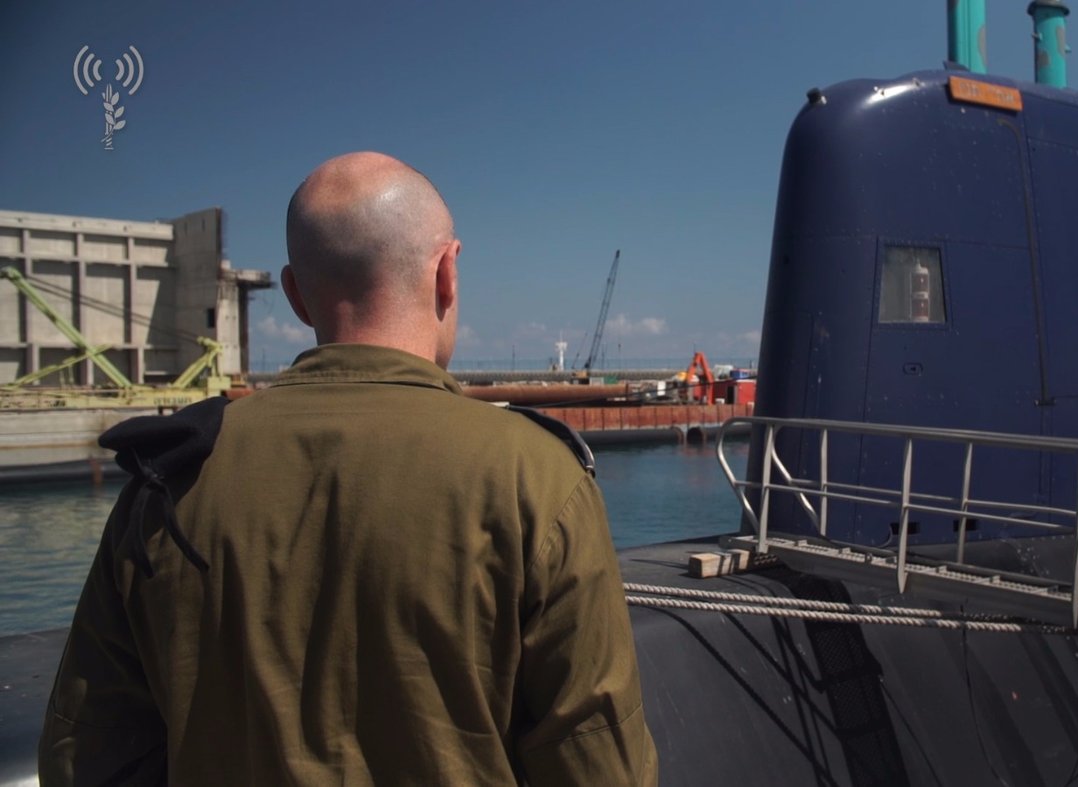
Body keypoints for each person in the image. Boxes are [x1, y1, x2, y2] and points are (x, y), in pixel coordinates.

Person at [37, 152, 659, 785]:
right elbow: (599, 766)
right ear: (447, 273)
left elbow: (84, 754)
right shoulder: (537, 477)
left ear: (296, 296)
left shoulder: (167, 480)